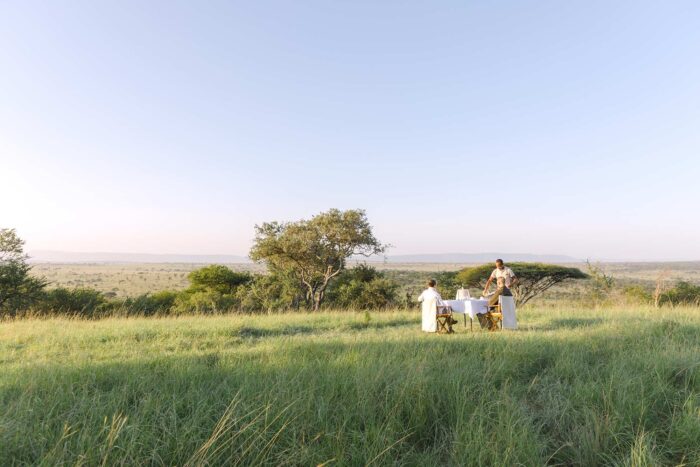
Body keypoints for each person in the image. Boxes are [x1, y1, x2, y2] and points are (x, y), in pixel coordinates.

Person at [480, 259, 518, 330]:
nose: (498, 268)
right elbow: (489, 280)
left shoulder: (508, 270)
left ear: (502, 264)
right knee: (490, 308)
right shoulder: (495, 271)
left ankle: (486, 311)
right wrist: (485, 289)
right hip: (500, 291)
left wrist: (510, 285)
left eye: (499, 266)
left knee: (483, 309)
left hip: (505, 290)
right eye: (497, 266)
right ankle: (492, 325)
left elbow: (516, 279)